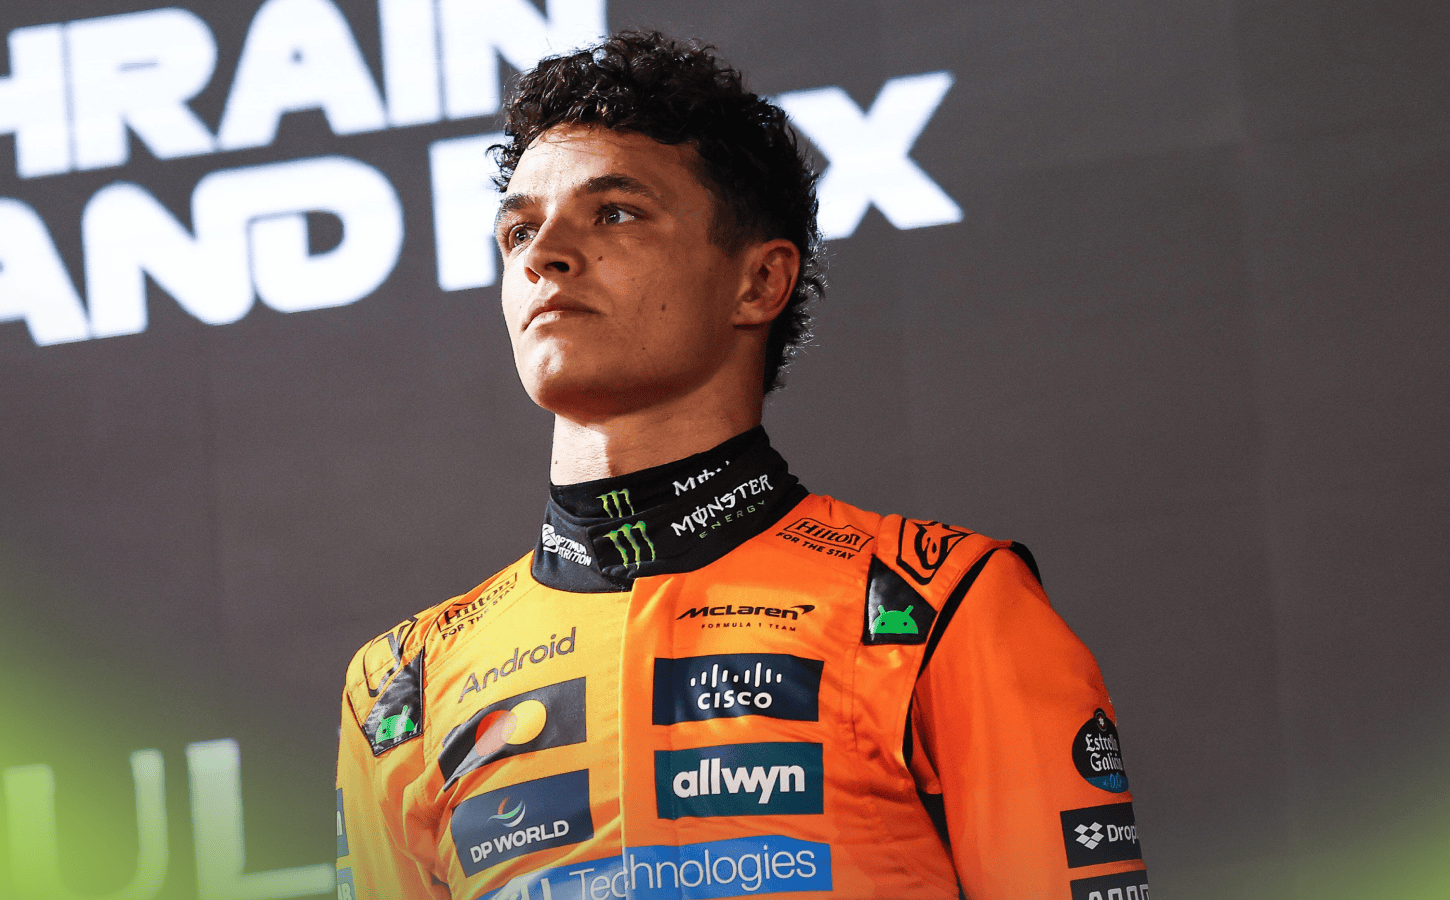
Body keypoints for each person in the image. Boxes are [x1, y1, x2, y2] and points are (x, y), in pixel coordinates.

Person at [336, 31, 1147, 900]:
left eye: (614, 212)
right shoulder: (401, 688)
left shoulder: (944, 605)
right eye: (520, 228)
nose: (544, 254)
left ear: (759, 282)